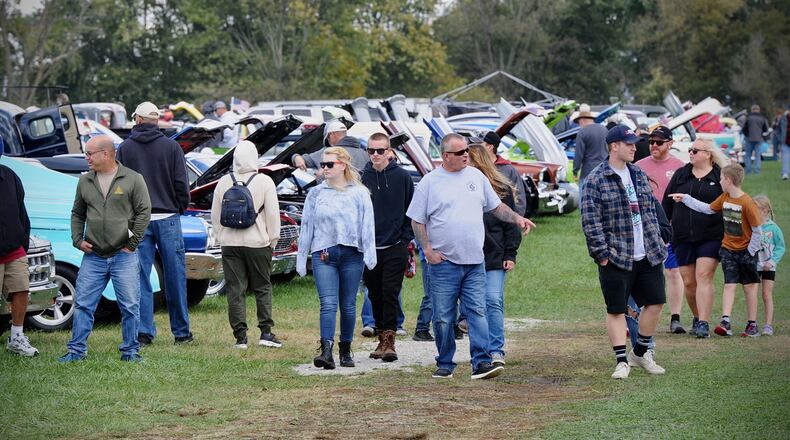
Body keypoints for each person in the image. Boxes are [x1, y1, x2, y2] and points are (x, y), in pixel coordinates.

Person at [407, 133, 534, 380]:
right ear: (445, 156)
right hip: (444, 263)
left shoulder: (477, 177)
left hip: (475, 262)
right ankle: (445, 362)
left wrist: (517, 218)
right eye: (459, 152)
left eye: (466, 150)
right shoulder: (430, 183)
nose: (466, 155)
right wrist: (428, 250)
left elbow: (497, 207)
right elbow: (417, 220)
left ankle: (482, 363)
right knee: (443, 318)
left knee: (477, 312)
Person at [581, 125, 669, 380]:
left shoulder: (638, 173)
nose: (634, 147)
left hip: (648, 253)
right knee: (617, 309)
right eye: (629, 143)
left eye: (634, 143)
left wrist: (657, 239)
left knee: (656, 303)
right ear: (614, 146)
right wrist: (602, 254)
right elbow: (590, 221)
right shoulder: (596, 179)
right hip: (616, 255)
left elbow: (649, 209)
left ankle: (639, 352)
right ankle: (621, 361)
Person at [59, 136, 151, 362]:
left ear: (106, 154)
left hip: (124, 255)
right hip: (94, 256)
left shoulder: (133, 179)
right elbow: (77, 213)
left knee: (130, 306)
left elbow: (144, 212)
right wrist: (77, 240)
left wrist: (131, 244)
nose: (86, 158)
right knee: (83, 304)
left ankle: (130, 352)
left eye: (90, 153)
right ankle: (76, 351)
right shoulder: (85, 181)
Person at [117, 101, 193, 346]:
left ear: (138, 119)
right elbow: (181, 183)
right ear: (156, 120)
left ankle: (144, 332)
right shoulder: (171, 147)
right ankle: (181, 333)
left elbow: (120, 186)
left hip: (138, 220)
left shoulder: (125, 148)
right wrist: (180, 206)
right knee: (175, 276)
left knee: (139, 278)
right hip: (168, 216)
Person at [296, 146, 376, 370]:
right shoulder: (316, 193)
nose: (325, 168)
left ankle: (345, 348)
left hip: (352, 254)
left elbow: (368, 225)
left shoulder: (359, 193)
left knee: (348, 305)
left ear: (343, 165)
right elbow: (307, 226)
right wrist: (301, 258)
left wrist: (370, 255)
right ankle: (326, 350)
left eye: (329, 164)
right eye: (322, 164)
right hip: (324, 254)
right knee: (328, 304)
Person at [669, 163, 763, 337]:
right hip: (728, 250)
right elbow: (707, 209)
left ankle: (752, 324)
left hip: (746, 252)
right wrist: (686, 198)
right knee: (729, 285)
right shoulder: (725, 198)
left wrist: (750, 252)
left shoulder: (747, 202)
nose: (719, 181)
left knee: (750, 287)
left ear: (727, 180)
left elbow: (758, 231)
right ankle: (725, 321)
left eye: (721, 179)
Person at [211, 140, 282, 349]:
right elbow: (272, 215)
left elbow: (215, 215)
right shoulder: (264, 181)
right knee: (262, 287)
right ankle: (266, 332)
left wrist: (221, 236)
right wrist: (273, 239)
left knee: (235, 289)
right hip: (258, 243)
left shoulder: (224, 181)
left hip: (230, 243)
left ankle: (240, 337)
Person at [662, 139, 727, 338]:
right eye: (690, 150)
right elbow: (666, 203)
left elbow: (732, 202)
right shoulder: (681, 174)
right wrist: (663, 230)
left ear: (708, 154)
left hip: (711, 236)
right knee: (689, 282)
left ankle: (704, 324)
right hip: (682, 236)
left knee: (703, 276)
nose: (690, 153)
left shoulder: (720, 176)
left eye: (695, 150)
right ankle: (698, 317)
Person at [360, 133, 414, 362]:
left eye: (380, 150)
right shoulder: (362, 178)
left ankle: (390, 341)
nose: (375, 155)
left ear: (389, 152)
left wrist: (405, 238)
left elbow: (412, 209)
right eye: (371, 150)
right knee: (375, 293)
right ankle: (381, 337)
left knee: (390, 292)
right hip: (370, 247)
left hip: (395, 245)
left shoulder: (402, 177)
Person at [468, 144, 522, 366]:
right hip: (468, 254)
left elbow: (511, 224)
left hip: (494, 253)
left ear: (478, 163)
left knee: (493, 300)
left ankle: (496, 349)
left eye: (469, 160)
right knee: (474, 304)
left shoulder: (501, 189)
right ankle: (480, 349)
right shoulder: (462, 187)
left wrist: (510, 253)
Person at [635, 126, 688, 333]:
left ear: (670, 143)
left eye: (659, 142)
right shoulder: (638, 167)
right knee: (640, 272)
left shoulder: (680, 167)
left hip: (672, 228)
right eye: (651, 142)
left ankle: (675, 318)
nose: (654, 145)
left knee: (673, 272)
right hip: (644, 230)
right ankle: (636, 315)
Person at [0, 139, 39, 356]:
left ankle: (16, 337)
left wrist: (22, 244)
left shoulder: (10, 176)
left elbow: (21, 212)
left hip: (15, 250)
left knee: (21, 290)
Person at [753, 195, 784, 336]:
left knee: (766, 294)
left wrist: (772, 262)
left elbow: (780, 247)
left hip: (768, 267)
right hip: (754, 266)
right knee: (752, 294)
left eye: (757, 209)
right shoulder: (751, 226)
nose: (754, 211)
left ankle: (768, 326)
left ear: (765, 210)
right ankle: (752, 324)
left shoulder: (774, 228)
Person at [292, 120, 369, 173]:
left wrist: (296, 157)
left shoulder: (329, 153)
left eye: (327, 138)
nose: (328, 140)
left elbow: (305, 160)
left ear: (332, 134)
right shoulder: (365, 154)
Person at [482, 131, 528, 216]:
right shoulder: (475, 168)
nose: (476, 148)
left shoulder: (508, 170)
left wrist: (515, 219)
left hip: (504, 220)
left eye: (480, 145)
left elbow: (519, 200)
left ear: (490, 147)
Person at [572, 104, 608, 185]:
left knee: (585, 192)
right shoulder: (604, 129)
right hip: (604, 170)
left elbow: (579, 154)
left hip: (588, 171)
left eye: (579, 123)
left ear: (582, 120)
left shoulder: (582, 132)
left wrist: (575, 171)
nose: (579, 125)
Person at [741, 104, 769, 175]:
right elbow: (766, 129)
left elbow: (744, 128)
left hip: (749, 139)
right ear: (758, 110)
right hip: (759, 139)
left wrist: (746, 135)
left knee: (748, 155)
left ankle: (748, 171)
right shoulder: (762, 118)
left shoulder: (748, 117)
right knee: (757, 155)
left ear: (752, 110)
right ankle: (757, 171)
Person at [778, 104, 790, 180]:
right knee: (785, 159)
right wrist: (780, 139)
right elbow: (779, 129)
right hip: (785, 142)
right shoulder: (783, 118)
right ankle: (785, 174)